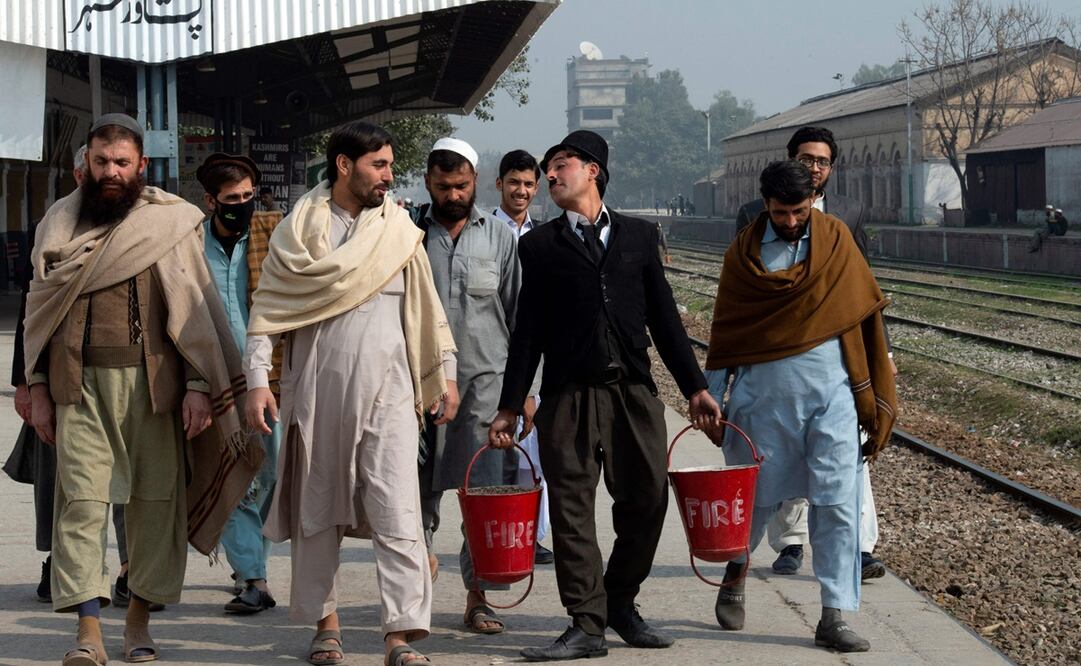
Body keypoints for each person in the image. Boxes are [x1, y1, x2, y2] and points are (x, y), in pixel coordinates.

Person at [24, 113, 254, 665]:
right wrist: (32, 385)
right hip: (76, 389)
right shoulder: (58, 225)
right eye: (100, 162)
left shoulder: (171, 223)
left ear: (141, 166)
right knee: (79, 505)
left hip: (157, 391)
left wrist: (200, 384)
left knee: (156, 507)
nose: (110, 172)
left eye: (121, 162)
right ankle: (88, 633)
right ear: (85, 164)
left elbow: (195, 310)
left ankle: (137, 623)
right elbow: (40, 310)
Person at [488, 130, 722, 661]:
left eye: (560, 165)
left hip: (633, 395)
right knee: (570, 511)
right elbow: (528, 331)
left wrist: (695, 388)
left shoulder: (639, 237)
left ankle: (619, 601)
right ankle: (586, 624)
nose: (549, 176)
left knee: (647, 500)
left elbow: (664, 320)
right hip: (567, 397)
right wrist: (511, 401)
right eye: (548, 169)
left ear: (593, 170)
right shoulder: (539, 245)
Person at [244, 120, 456, 666]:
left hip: (390, 392)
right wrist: (255, 382)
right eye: (378, 165)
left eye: (389, 165)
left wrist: (444, 376)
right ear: (344, 166)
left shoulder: (400, 231)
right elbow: (268, 311)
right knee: (318, 512)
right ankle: (326, 626)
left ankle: (400, 637)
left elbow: (427, 312)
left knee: (397, 508)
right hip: (316, 392)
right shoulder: (298, 231)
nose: (388, 175)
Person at [704, 160, 897, 653]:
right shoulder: (742, 256)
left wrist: (877, 381)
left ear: (812, 199)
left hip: (833, 397)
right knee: (755, 502)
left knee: (836, 504)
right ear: (764, 204)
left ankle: (834, 614)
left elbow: (862, 310)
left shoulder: (836, 241)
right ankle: (736, 572)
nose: (790, 220)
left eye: (798, 209)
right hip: (761, 402)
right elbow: (726, 330)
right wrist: (711, 393)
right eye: (780, 211)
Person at [735, 125, 890, 579]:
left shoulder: (848, 214)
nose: (814, 168)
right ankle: (786, 546)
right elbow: (745, 291)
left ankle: (857, 553)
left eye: (822, 161)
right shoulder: (752, 216)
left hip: (836, 357)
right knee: (779, 466)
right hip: (777, 358)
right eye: (806, 159)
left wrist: (880, 356)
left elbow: (863, 289)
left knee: (847, 463)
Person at [414, 137, 528, 635]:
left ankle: (477, 597)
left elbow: (520, 317)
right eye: (442, 187)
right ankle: (414, 588)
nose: (452, 195)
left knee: (481, 494)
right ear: (427, 184)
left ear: (476, 181)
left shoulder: (499, 238)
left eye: (461, 185)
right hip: (418, 384)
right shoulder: (405, 233)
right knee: (413, 494)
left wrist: (526, 392)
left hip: (485, 384)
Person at [196, 152, 285, 614]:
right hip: (214, 381)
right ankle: (254, 576)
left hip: (271, 379)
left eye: (250, 196)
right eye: (233, 199)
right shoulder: (190, 247)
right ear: (211, 201)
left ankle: (254, 564)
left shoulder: (274, 238)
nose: (244, 205)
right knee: (230, 473)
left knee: (270, 474)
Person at [490, 148, 554, 567]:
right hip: (491, 359)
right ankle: (498, 532)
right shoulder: (484, 233)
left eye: (529, 184)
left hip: (534, 361)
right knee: (497, 457)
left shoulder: (543, 238)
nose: (522, 191)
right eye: (514, 182)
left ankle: (532, 535)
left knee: (533, 455)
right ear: (498, 184)